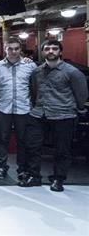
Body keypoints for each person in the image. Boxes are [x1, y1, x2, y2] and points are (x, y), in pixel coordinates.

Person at [20, 40, 88, 192]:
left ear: (60, 52)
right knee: (32, 145)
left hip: (63, 115)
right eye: (47, 49)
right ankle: (34, 176)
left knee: (62, 149)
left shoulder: (72, 72)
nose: (51, 51)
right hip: (39, 113)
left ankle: (58, 178)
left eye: (54, 48)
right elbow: (34, 91)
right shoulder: (37, 71)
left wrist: (75, 110)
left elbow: (81, 96)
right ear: (43, 52)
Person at [0, 37, 37, 181]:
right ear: (5, 49)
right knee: (2, 139)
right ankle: (1, 167)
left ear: (20, 49)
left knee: (23, 140)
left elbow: (35, 88)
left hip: (24, 108)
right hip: (3, 107)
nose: (14, 51)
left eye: (16, 48)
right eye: (10, 48)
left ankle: (22, 168)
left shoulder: (30, 66)